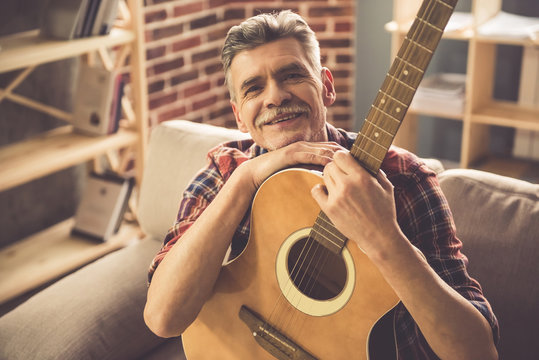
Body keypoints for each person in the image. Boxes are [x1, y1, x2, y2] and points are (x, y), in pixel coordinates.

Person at [144, 10, 499, 359]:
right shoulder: (225, 170)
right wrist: (246, 180)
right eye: (254, 88)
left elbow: (478, 352)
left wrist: (383, 237)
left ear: (326, 87)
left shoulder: (404, 177)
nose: (275, 96)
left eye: (292, 75)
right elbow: (163, 318)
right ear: (239, 115)